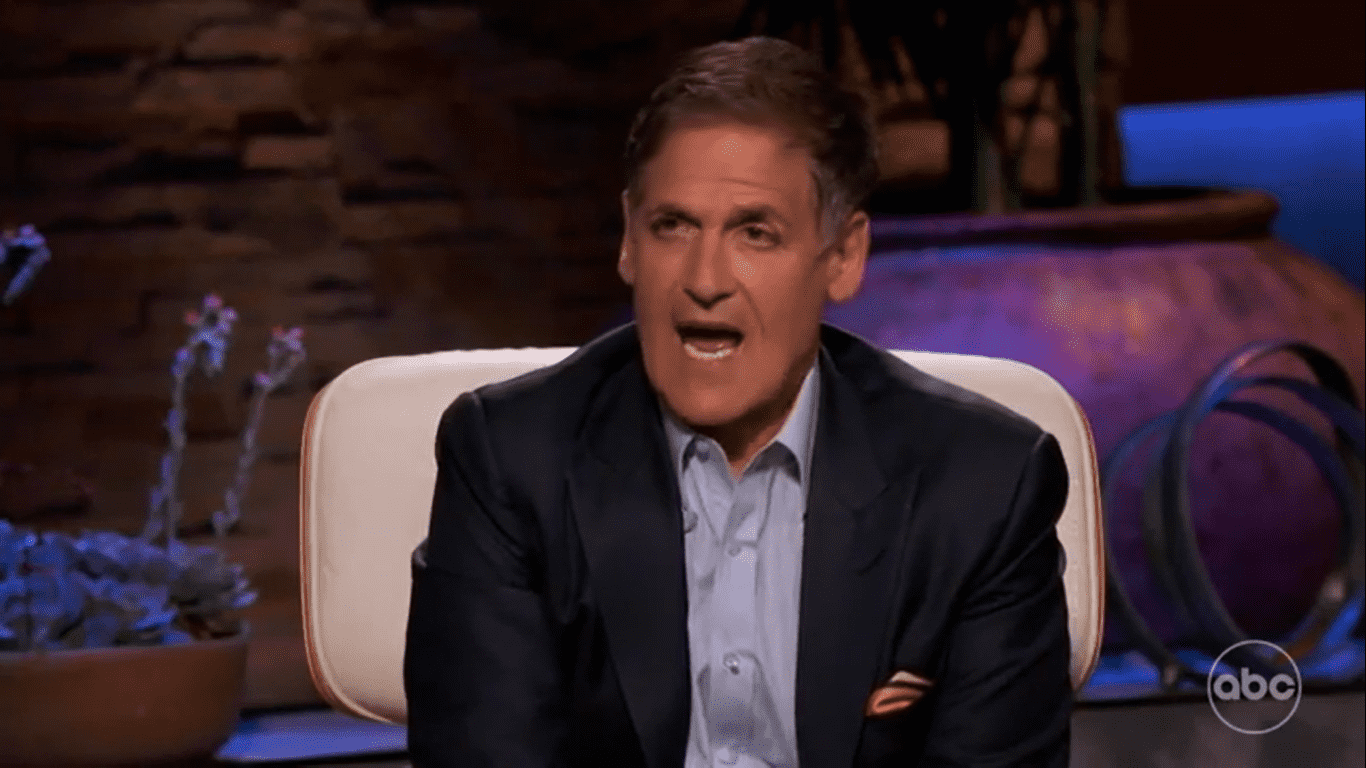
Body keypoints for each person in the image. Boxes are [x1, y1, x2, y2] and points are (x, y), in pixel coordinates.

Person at [404, 35, 1073, 767]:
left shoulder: (982, 487)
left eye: (756, 233)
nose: (705, 280)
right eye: (673, 227)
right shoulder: (509, 461)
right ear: (629, 240)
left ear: (843, 256)